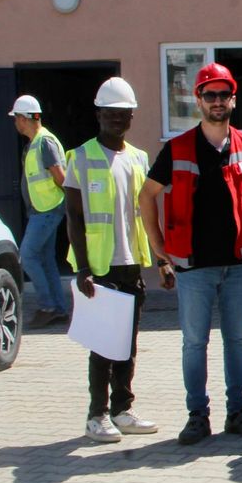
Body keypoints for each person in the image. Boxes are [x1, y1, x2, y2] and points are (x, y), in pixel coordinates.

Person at [139, 62, 242, 446]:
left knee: (237, 340)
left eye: (223, 94)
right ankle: (197, 416)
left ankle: (238, 412)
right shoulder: (178, 148)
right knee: (194, 343)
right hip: (194, 266)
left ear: (233, 99)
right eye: (209, 94)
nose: (217, 101)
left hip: (238, 264)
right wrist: (158, 247)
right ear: (198, 99)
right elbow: (146, 195)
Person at [63, 77, 158, 443]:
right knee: (103, 345)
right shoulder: (81, 157)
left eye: (123, 114)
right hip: (99, 268)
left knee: (126, 344)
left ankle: (122, 408)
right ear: (99, 114)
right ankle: (96, 414)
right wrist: (83, 268)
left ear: (131, 116)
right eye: (110, 113)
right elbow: (74, 217)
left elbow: (145, 213)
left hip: (130, 263)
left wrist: (161, 260)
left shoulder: (138, 158)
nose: (117, 119)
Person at [10, 94, 69, 329]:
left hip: (47, 210)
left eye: (16, 118)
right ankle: (59, 309)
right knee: (45, 259)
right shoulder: (37, 143)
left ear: (24, 118)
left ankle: (48, 306)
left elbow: (60, 177)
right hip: (42, 210)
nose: (15, 123)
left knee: (28, 255)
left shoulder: (44, 142)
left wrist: (69, 205)